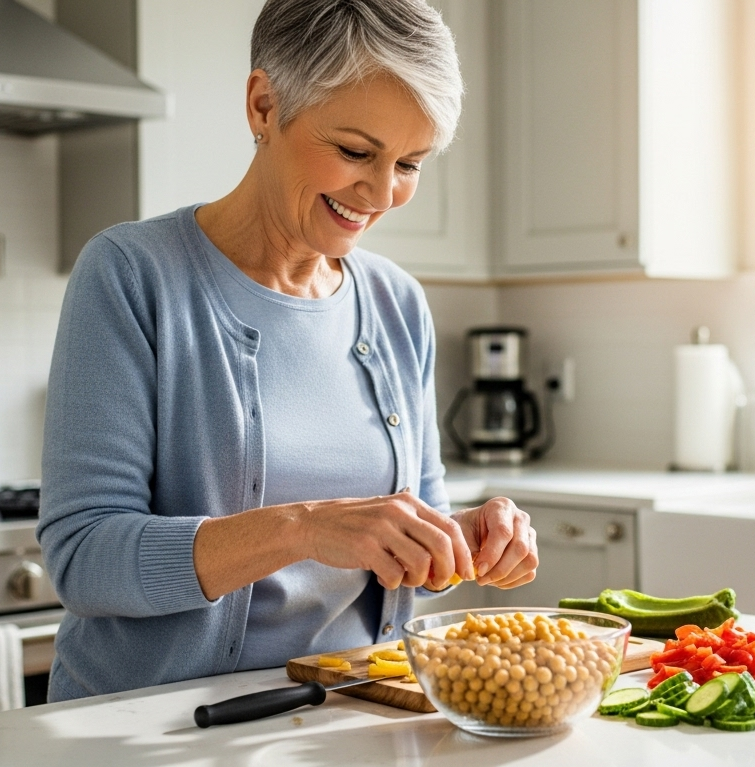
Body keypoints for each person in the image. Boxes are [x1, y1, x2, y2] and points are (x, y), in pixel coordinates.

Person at [37, 0, 539, 702]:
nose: (381, 192)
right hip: (153, 728)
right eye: (356, 152)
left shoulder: (397, 303)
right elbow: (86, 557)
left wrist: (466, 537)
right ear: (264, 105)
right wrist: (303, 528)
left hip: (342, 721)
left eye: (410, 163)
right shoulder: (131, 274)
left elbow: (411, 538)